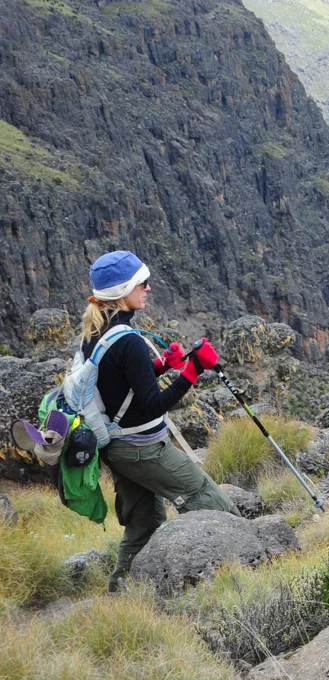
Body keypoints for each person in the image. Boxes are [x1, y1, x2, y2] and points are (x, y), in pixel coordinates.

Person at [81, 250, 238, 591]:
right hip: (142, 447)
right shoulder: (130, 342)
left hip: (116, 447)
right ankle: (241, 567)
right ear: (123, 291)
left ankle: (120, 593)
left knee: (143, 523)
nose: (148, 288)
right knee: (204, 495)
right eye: (142, 283)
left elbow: (116, 385)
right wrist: (193, 369)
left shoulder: (96, 333)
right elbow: (152, 405)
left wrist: (162, 367)